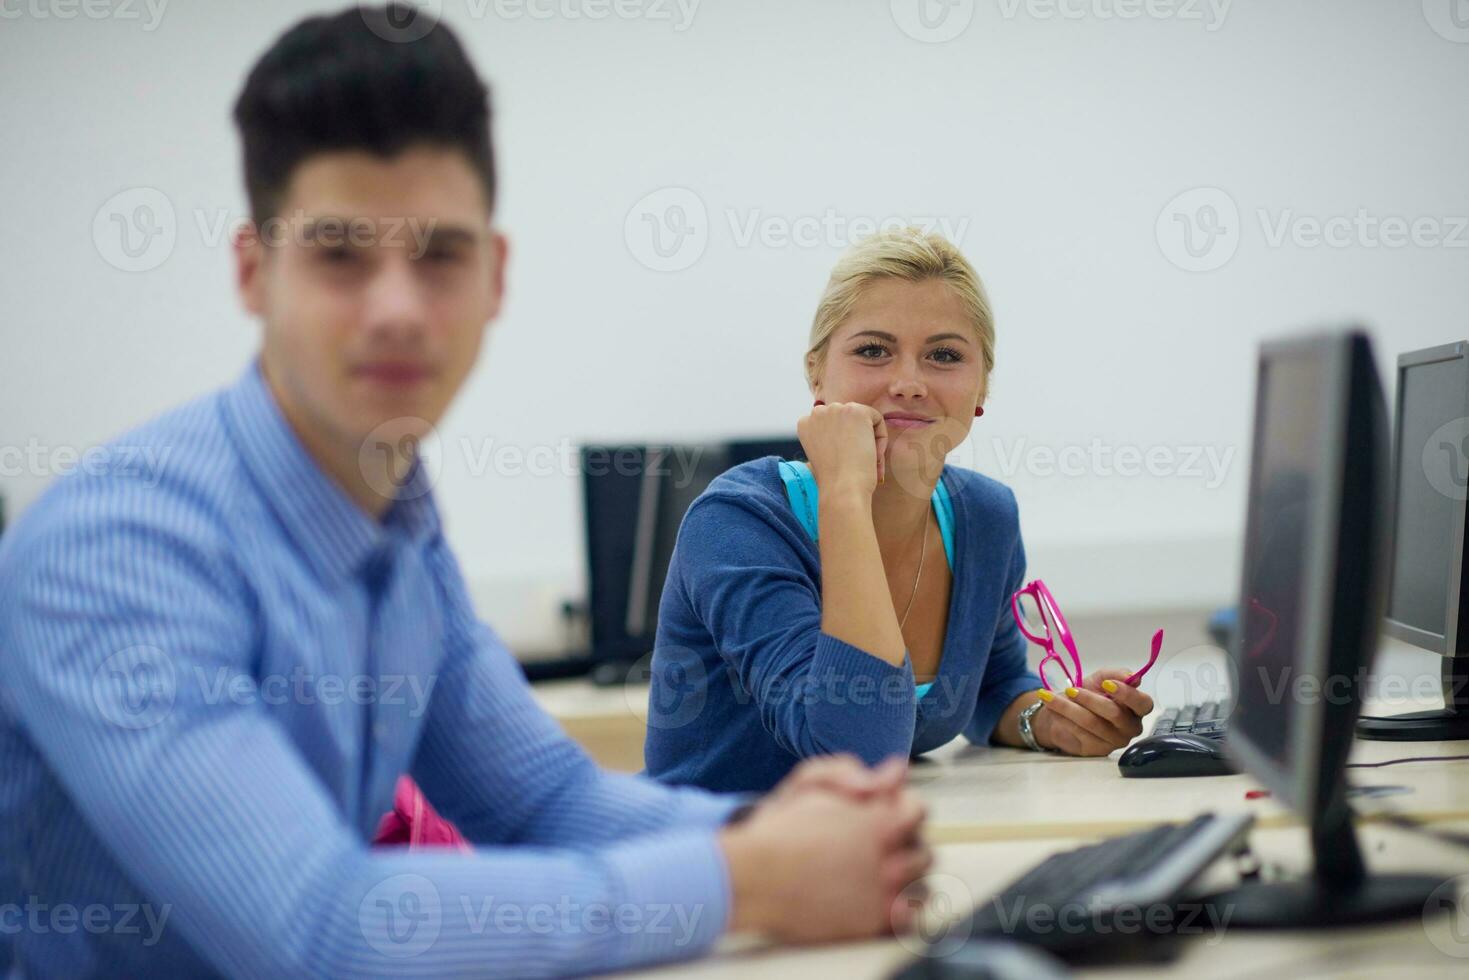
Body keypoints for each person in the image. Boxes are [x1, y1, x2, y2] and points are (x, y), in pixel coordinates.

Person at [0, 7, 931, 977]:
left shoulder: (396, 518)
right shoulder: (116, 545)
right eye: (339, 254)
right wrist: (747, 875)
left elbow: (540, 802)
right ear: (251, 272)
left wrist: (808, 831)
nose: (398, 309)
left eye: (440, 254)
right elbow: (319, 929)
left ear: (495, 276)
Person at [644, 229, 1155, 793]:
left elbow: (992, 685)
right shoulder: (738, 523)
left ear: (982, 385)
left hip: (880, 858)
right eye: (872, 351)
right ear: (817, 373)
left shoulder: (985, 516)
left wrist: (1047, 720)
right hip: (718, 866)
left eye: (944, 355)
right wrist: (845, 493)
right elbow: (856, 753)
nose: (909, 383)